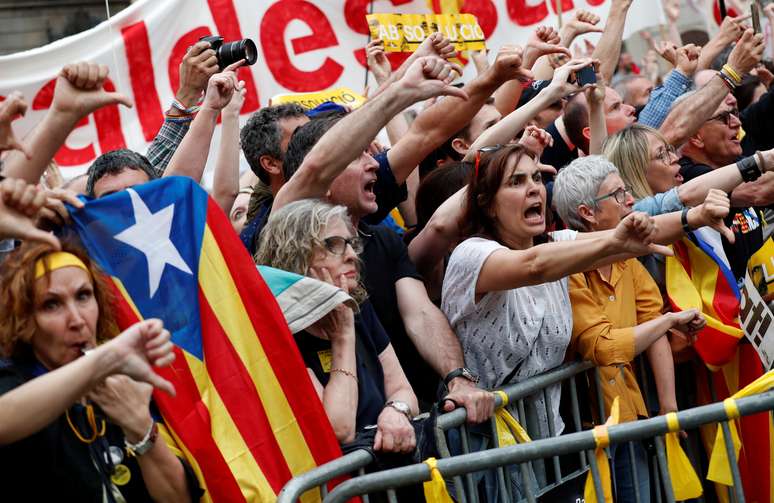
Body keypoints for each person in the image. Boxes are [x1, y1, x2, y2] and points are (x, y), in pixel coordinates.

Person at [553, 157, 726, 502]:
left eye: (626, 190)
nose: (630, 200)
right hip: (584, 433)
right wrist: (667, 322)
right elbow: (604, 347)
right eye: (618, 195)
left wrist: (668, 407)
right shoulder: (565, 268)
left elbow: (652, 319)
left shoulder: (627, 259)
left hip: (629, 416)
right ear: (588, 213)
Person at [0, 239, 201, 502]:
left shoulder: (119, 387)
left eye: (83, 296)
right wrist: (103, 360)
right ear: (24, 320)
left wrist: (141, 428)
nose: (77, 319)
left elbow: (180, 499)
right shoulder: (14, 383)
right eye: (51, 304)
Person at [255, 200, 418, 453]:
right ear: (295, 255)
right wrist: (343, 336)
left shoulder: (360, 308)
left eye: (351, 244)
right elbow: (339, 428)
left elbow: (402, 389)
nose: (352, 255)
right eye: (333, 245)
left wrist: (395, 411)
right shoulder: (279, 334)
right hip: (342, 488)